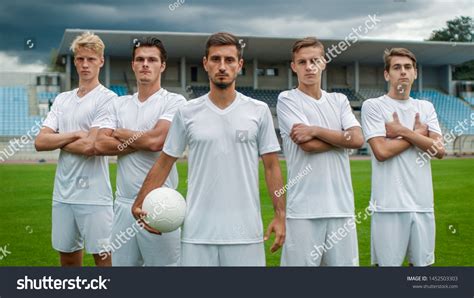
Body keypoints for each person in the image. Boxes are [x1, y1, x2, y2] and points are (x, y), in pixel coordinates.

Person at [132, 32, 286, 266]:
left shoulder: (259, 110)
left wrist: (280, 215)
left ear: (239, 65)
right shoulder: (187, 112)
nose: (222, 66)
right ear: (205, 64)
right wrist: (140, 200)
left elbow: (272, 166)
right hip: (198, 233)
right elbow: (165, 161)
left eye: (229, 60)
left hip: (246, 233)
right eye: (215, 59)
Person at [95, 37, 186, 266]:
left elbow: (157, 142)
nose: (146, 64)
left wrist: (119, 132)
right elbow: (99, 144)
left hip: (160, 203)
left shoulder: (174, 101)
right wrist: (142, 138)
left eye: (152, 60)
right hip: (123, 205)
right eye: (140, 59)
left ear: (162, 66)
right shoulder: (118, 104)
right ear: (133, 65)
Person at [277, 37, 364, 266]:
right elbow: (307, 145)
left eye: (314, 60)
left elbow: (357, 139)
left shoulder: (339, 100)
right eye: (302, 62)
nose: (309, 67)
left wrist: (315, 129)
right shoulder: (287, 99)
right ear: (293, 66)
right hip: (303, 210)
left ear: (323, 63)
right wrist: (341, 138)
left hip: (341, 208)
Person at [34, 32, 115, 266]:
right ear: (74, 61)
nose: (85, 64)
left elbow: (92, 146)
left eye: (91, 59)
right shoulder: (62, 99)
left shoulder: (107, 99)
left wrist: (58, 139)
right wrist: (75, 134)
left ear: (101, 61)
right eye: (80, 59)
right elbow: (40, 142)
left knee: (103, 258)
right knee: (68, 259)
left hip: (94, 195)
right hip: (63, 194)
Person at [361, 47, 445, 266]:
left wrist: (403, 132)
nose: (403, 72)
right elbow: (382, 152)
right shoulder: (374, 106)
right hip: (389, 205)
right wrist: (418, 136)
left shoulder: (425, 107)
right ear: (387, 74)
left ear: (415, 73)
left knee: (421, 274)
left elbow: (439, 150)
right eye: (397, 67)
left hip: (423, 204)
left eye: (408, 67)